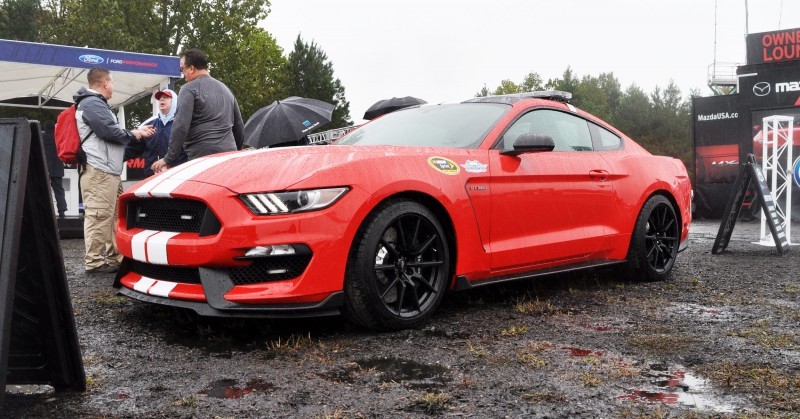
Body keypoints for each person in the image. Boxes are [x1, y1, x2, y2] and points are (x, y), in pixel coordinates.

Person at [75, 67, 155, 274]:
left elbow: (110, 138)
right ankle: (93, 262)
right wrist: (135, 133)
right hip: (99, 171)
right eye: (112, 83)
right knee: (99, 215)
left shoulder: (94, 104)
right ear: (105, 83)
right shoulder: (92, 103)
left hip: (106, 171)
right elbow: (109, 132)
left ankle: (114, 257)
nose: (113, 87)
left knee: (111, 215)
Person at [151, 48, 244, 173]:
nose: (183, 75)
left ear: (191, 68)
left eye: (182, 70)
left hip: (202, 158)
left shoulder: (189, 89)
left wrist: (169, 158)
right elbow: (239, 127)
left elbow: (180, 126)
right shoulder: (226, 89)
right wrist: (236, 151)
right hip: (228, 157)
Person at [124, 89, 187, 177]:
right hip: (151, 177)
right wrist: (116, 157)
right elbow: (134, 148)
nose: (161, 99)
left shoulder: (184, 123)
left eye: (166, 97)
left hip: (177, 177)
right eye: (160, 98)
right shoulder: (148, 124)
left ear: (175, 101)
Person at [41, 120, 67, 218]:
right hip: (57, 168)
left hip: (45, 167)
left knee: (44, 190)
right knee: (59, 190)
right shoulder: (59, 137)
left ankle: (44, 211)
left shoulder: (42, 138)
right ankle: (62, 210)